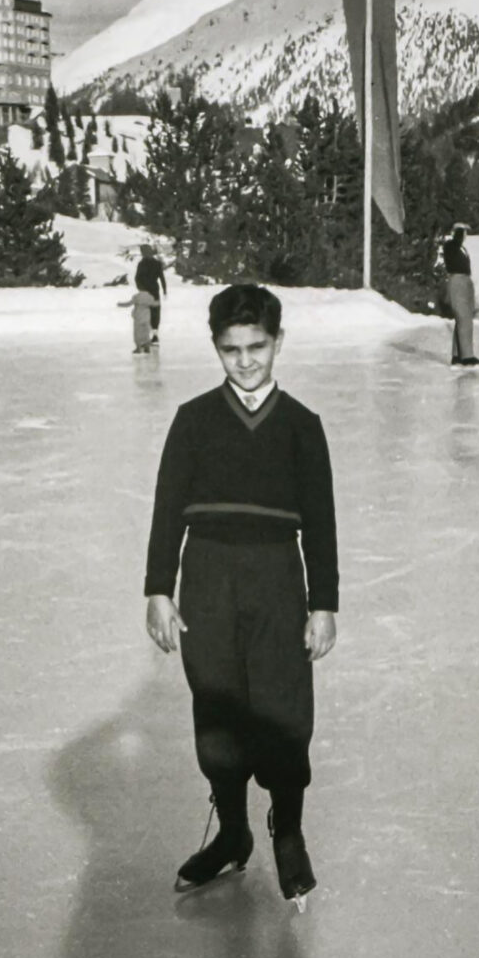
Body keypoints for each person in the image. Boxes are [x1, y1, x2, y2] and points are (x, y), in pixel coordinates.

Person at [144, 283, 338, 908]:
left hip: (278, 578)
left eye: (257, 347)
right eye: (232, 350)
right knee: (218, 708)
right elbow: (167, 510)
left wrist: (324, 602)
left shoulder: (302, 427)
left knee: (284, 710)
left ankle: (289, 830)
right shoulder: (194, 419)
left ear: (278, 342)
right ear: (216, 348)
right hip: (207, 577)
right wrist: (158, 589)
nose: (246, 361)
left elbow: (323, 523)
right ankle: (232, 833)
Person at [442, 222, 479, 368]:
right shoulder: (451, 246)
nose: (466, 235)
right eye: (464, 232)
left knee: (463, 319)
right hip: (457, 281)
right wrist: (457, 233)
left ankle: (457, 355)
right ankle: (467, 356)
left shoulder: (461, 248)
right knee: (464, 319)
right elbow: (452, 251)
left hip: (464, 281)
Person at [134, 243, 167, 347]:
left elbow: (137, 278)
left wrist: (140, 288)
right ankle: (155, 334)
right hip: (155, 291)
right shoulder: (157, 263)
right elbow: (162, 278)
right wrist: (165, 290)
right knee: (155, 313)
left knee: (145, 313)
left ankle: (146, 336)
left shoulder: (141, 264)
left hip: (145, 292)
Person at [117, 289, 160, 354]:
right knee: (146, 333)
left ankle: (138, 348)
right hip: (146, 317)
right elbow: (154, 304)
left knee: (137, 333)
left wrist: (120, 304)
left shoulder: (137, 297)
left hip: (138, 317)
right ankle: (147, 348)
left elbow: (128, 304)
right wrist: (158, 302)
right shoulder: (149, 297)